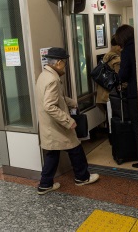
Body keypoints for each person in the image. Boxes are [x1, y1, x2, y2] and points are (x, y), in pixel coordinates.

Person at [35, 47, 99, 195]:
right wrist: (68, 121)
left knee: (52, 153)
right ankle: (82, 178)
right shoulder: (53, 80)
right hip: (57, 125)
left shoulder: (44, 75)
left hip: (49, 125)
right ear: (58, 63)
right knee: (75, 148)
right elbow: (49, 105)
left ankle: (45, 184)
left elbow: (57, 98)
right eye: (64, 62)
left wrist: (71, 102)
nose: (65, 65)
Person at [116, 25, 138, 168]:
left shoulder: (126, 51)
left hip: (134, 94)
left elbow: (123, 75)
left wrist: (119, 77)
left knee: (137, 127)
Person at [96, 36, 121, 104]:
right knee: (114, 114)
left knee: (108, 114)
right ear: (118, 46)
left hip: (101, 94)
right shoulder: (116, 59)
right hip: (109, 95)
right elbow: (119, 77)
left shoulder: (106, 56)